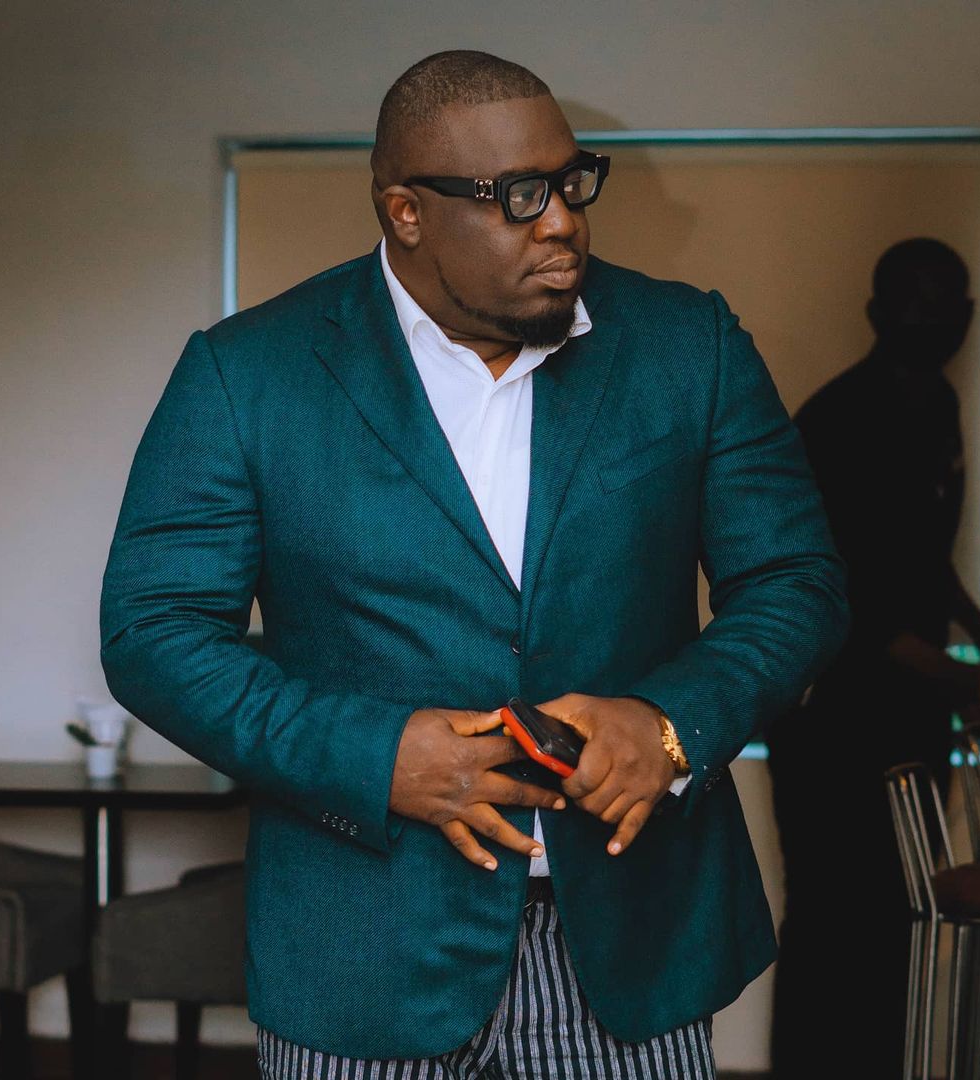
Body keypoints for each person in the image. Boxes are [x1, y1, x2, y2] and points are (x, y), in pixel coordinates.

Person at [102, 50, 847, 1080]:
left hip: (630, 943)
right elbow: (155, 633)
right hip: (362, 950)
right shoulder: (247, 375)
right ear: (406, 211)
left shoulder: (690, 345)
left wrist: (671, 725)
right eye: (519, 196)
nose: (562, 221)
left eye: (572, 182)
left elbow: (796, 583)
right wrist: (377, 758)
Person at [767, 237, 980, 1080]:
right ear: (876, 311)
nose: (930, 318)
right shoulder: (841, 420)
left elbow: (925, 559)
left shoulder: (936, 403)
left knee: (903, 913)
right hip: (832, 716)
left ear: (969, 317)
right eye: (913, 300)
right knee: (834, 916)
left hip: (912, 711)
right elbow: (846, 597)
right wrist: (963, 673)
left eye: (946, 303)